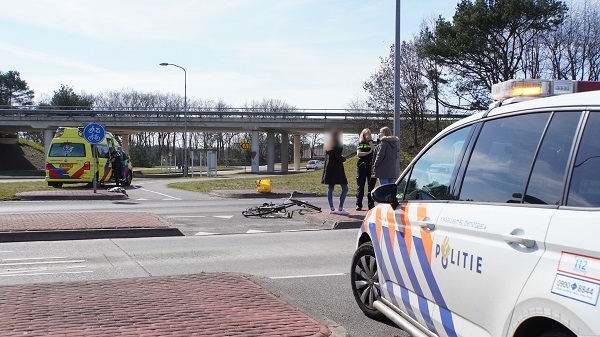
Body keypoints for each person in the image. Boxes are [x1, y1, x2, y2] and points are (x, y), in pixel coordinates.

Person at [322, 129, 349, 215]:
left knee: (330, 188)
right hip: (337, 169)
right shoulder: (336, 144)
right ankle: (340, 208)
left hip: (329, 169)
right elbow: (338, 157)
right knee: (345, 188)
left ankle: (332, 208)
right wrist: (344, 158)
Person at [355, 128, 376, 211]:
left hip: (371, 167)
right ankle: (358, 204)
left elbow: (374, 150)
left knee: (371, 186)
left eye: (369, 134)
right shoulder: (360, 143)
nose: (367, 136)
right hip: (361, 166)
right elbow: (359, 153)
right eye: (366, 134)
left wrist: (370, 141)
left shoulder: (372, 143)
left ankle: (371, 205)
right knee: (360, 186)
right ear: (363, 135)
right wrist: (368, 152)